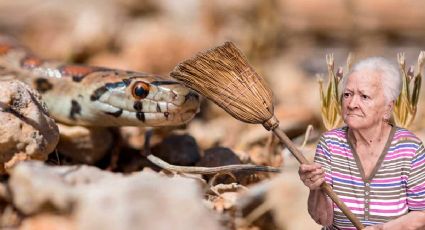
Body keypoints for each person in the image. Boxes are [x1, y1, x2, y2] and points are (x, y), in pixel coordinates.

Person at [299, 57, 425, 229]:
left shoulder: (409, 148)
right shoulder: (330, 144)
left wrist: (381, 229)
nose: (352, 104)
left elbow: (421, 214)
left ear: (388, 108)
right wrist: (315, 188)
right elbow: (323, 219)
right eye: (347, 94)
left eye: (364, 96)